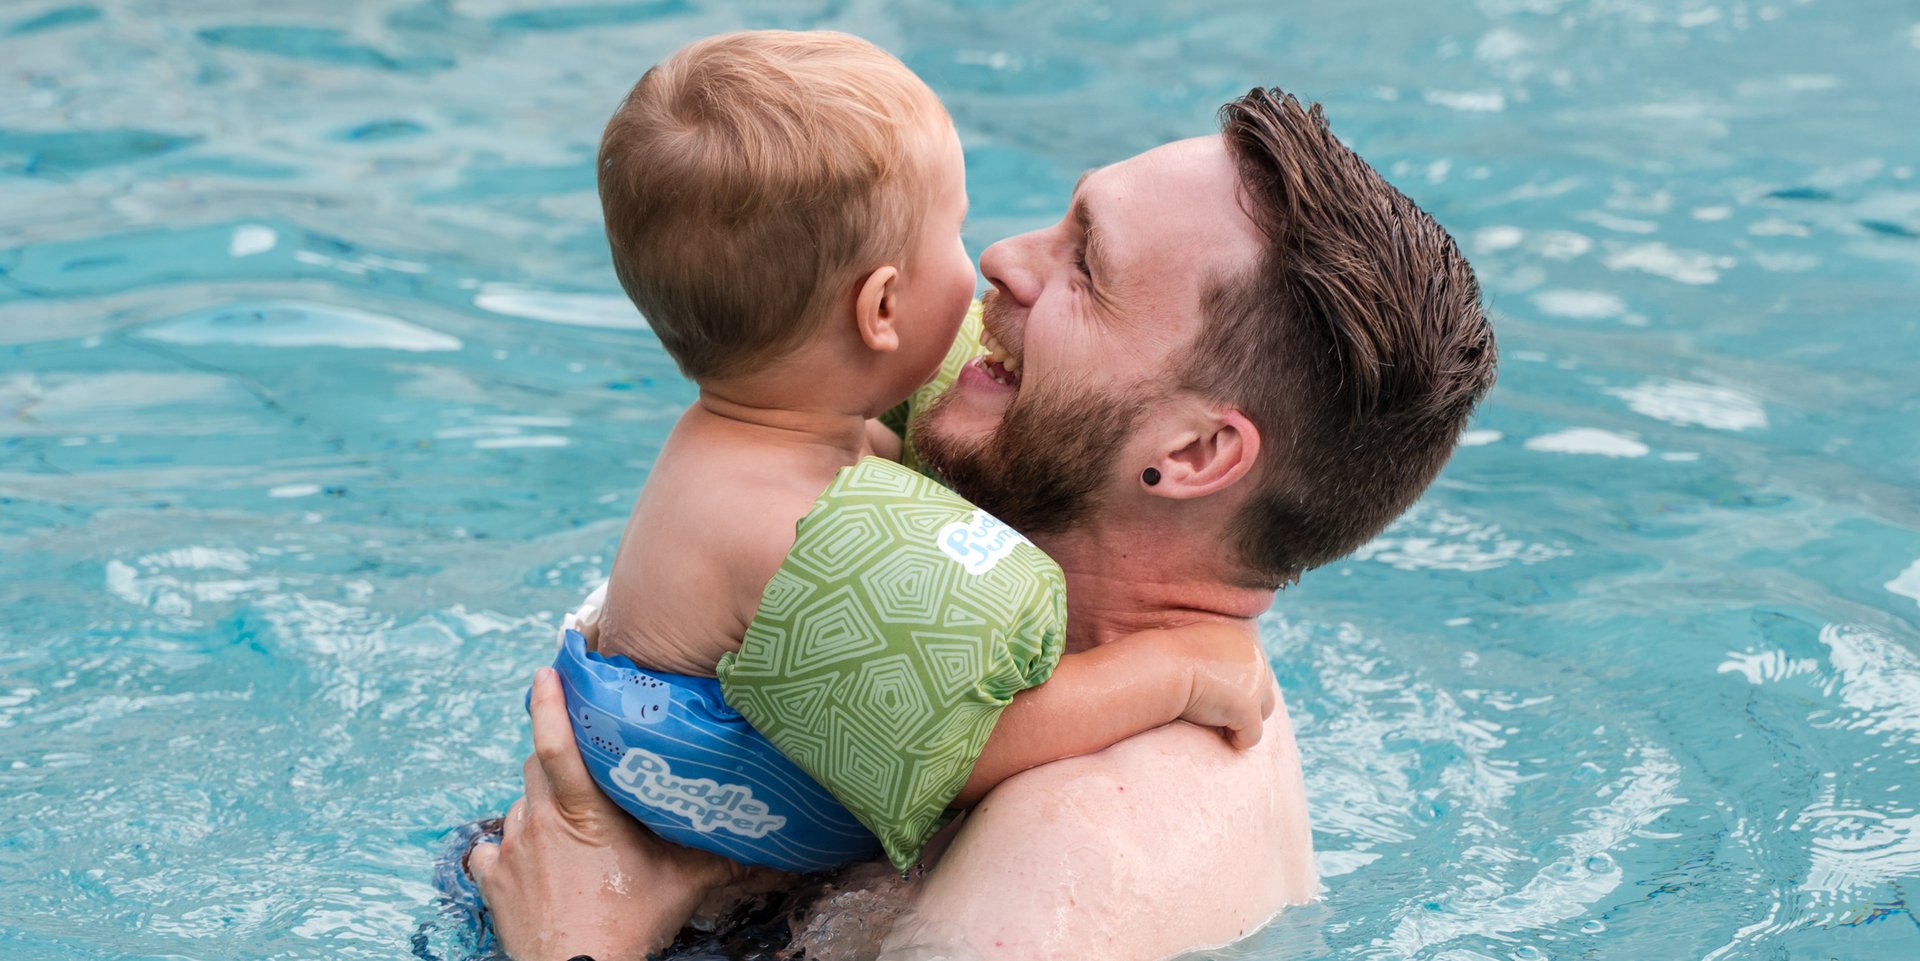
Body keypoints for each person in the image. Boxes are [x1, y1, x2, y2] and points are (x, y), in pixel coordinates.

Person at [470, 86, 1496, 960]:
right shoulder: (928, 585)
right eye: (1061, 221)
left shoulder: (1069, 861)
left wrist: (574, 937)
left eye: (1085, 270)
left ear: (1191, 456)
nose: (1004, 257)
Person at [511, 24, 1280, 916]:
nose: (988, 258)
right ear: (881, 307)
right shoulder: (790, 531)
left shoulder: (765, 437)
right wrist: (1176, 671)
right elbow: (963, 743)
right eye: (953, 233)